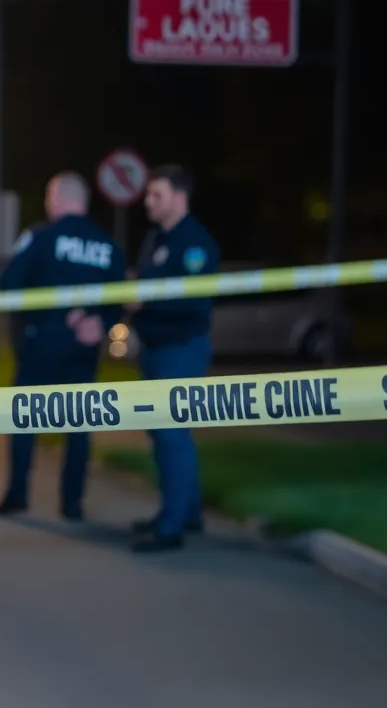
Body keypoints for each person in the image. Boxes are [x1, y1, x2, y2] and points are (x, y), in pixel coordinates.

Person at [0, 171, 126, 521]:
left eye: (50, 197)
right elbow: (121, 298)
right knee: (77, 425)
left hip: (42, 342)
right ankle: (73, 503)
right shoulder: (108, 247)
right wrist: (101, 323)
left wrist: (42, 315)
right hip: (85, 346)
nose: (48, 204)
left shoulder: (42, 238)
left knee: (24, 418)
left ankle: (17, 494)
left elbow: (9, 284)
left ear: (59, 198)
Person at [127, 163, 221, 553]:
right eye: (148, 195)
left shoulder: (195, 244)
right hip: (155, 351)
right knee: (165, 435)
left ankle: (171, 528)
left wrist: (144, 301)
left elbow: (195, 302)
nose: (148, 202)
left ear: (179, 197)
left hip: (180, 349)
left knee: (172, 435)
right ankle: (185, 511)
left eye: (156, 195)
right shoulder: (155, 239)